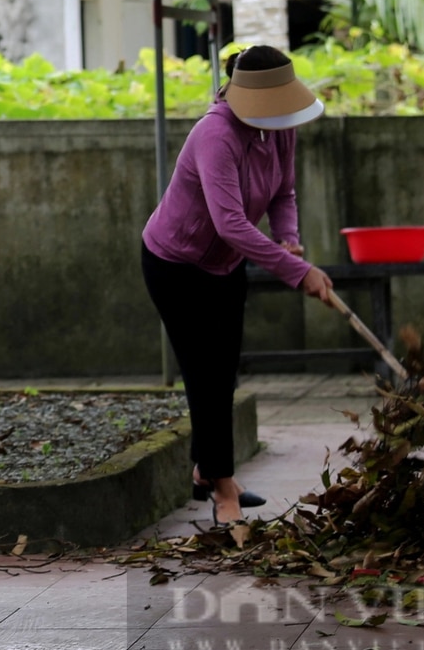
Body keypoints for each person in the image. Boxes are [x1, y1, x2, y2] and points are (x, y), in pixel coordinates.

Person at [142, 46, 338, 523]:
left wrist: (289, 241)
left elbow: (284, 193)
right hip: (176, 264)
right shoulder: (216, 134)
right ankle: (224, 490)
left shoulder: (280, 129)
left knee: (224, 371)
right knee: (203, 373)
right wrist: (298, 272)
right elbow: (229, 222)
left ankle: (206, 472)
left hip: (226, 265)